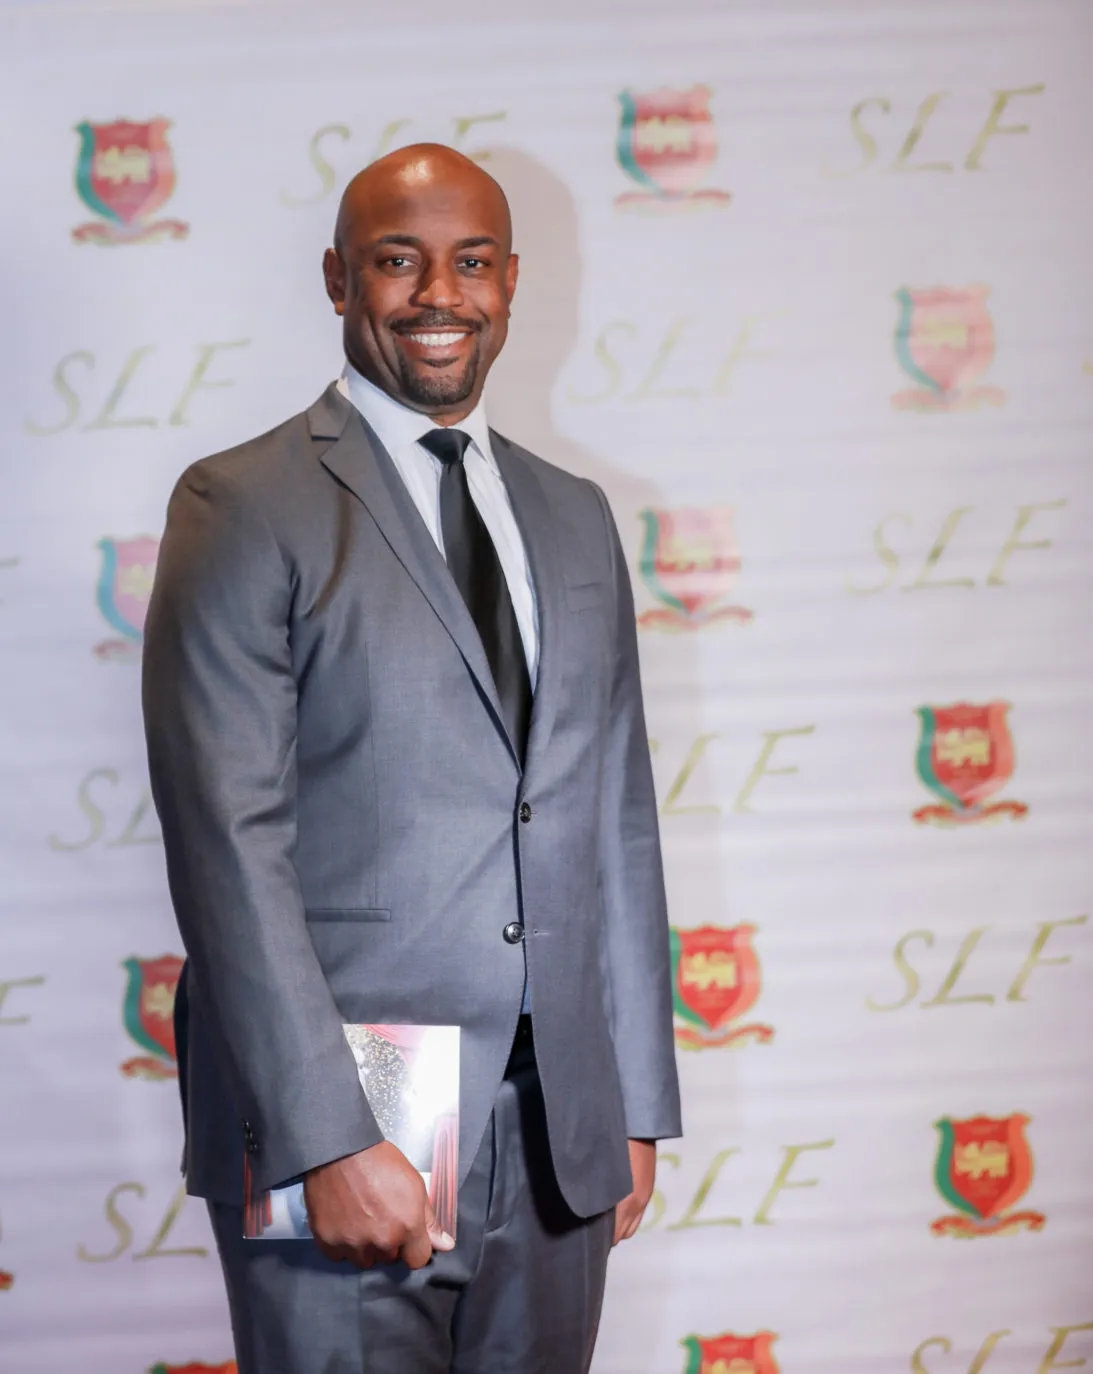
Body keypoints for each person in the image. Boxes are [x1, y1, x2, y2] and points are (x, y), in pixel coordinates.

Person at [142, 142, 681, 1374]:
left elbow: (616, 819)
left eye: (471, 262)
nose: (440, 294)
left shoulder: (574, 514)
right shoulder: (241, 503)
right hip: (352, 1113)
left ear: (511, 282)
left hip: (558, 1128)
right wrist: (325, 1137)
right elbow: (228, 843)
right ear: (340, 280)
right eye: (398, 261)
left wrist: (633, 1104)